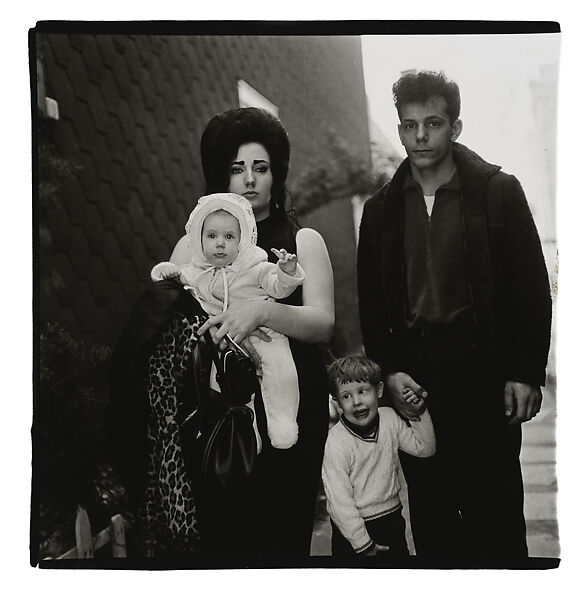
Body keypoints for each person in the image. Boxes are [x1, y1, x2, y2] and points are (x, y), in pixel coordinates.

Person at [357, 71, 552, 565]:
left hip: (484, 375)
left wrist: (525, 372)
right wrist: (389, 371)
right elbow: (373, 304)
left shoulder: (496, 193)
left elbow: (530, 288)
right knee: (433, 521)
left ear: (455, 127)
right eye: (409, 126)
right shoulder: (381, 211)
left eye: (433, 123)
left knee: (497, 520)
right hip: (417, 383)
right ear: (400, 130)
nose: (420, 136)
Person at [168, 107, 335, 562]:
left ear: (275, 174)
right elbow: (176, 324)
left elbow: (322, 322)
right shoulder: (194, 244)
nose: (249, 179)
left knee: (285, 535)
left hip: (294, 403)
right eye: (237, 168)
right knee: (227, 537)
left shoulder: (304, 241)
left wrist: (261, 311)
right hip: (219, 408)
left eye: (260, 168)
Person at [151, 192, 305, 451]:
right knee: (221, 385)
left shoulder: (255, 266)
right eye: (212, 236)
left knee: (282, 370)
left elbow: (278, 287)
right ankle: (244, 433)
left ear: (241, 241)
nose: (220, 243)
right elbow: (173, 284)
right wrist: (165, 272)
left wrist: (286, 272)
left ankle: (283, 421)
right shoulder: (195, 272)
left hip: (263, 334)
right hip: (221, 343)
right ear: (199, 241)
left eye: (229, 237)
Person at [322, 355, 435, 561]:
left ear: (379, 390)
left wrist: (419, 412)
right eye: (346, 396)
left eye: (363, 391)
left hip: (392, 520)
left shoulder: (389, 418)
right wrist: (364, 545)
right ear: (337, 402)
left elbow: (424, 449)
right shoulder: (336, 442)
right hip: (352, 531)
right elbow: (339, 503)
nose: (356, 402)